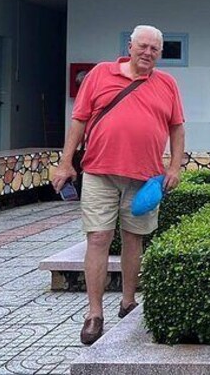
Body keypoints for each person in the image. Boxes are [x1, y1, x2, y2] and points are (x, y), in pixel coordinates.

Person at [52, 25, 185, 345]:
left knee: (134, 239)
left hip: (144, 178)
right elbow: (79, 120)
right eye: (143, 46)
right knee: (98, 237)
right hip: (100, 172)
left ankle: (128, 302)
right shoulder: (100, 74)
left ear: (160, 53)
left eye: (154, 49)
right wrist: (66, 162)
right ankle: (94, 314)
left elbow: (177, 127)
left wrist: (175, 167)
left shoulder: (167, 83)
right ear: (130, 45)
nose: (148, 52)